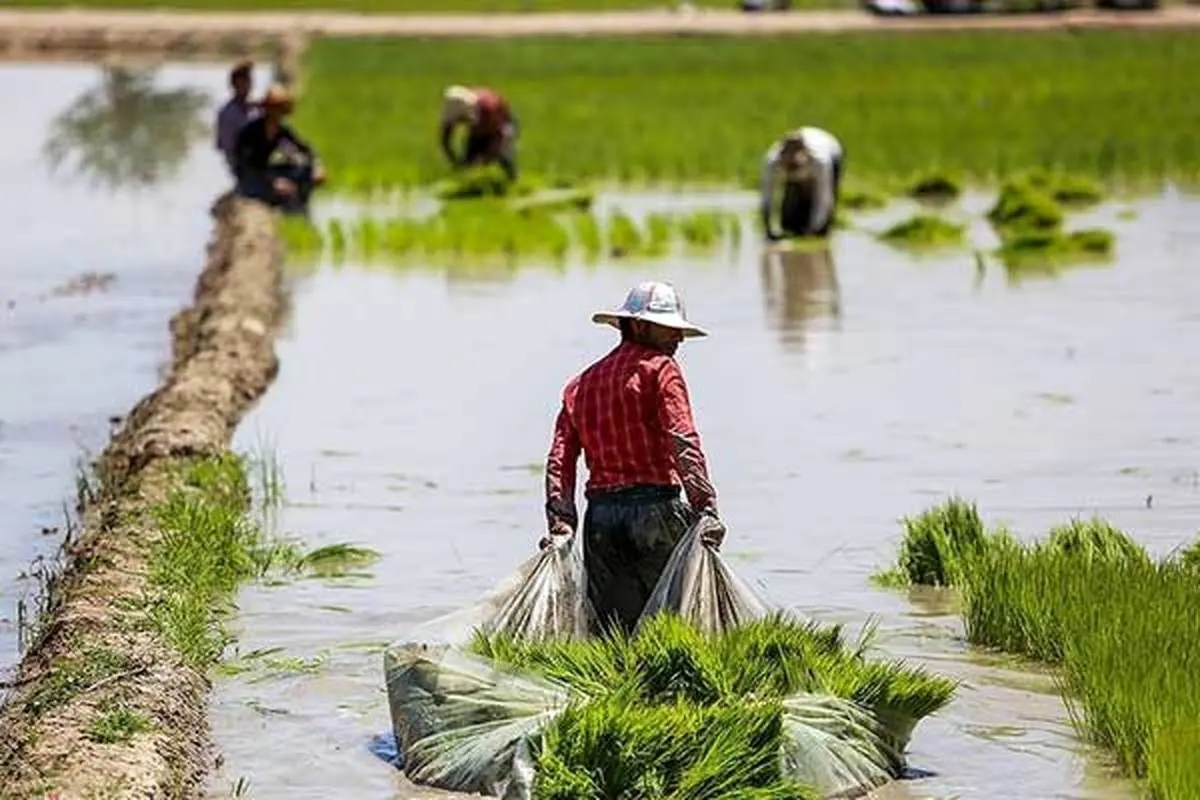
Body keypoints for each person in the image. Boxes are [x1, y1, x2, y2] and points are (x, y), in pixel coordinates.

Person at [541, 281, 727, 635]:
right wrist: (705, 507)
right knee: (673, 627)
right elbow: (682, 440)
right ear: (638, 326)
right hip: (656, 511)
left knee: (615, 633)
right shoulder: (661, 370)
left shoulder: (581, 385)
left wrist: (562, 523)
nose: (679, 338)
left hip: (601, 522)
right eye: (669, 328)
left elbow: (559, 461)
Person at [232, 84, 325, 214]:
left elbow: (305, 149)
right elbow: (245, 165)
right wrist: (272, 182)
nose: (278, 115)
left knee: (304, 170)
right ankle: (291, 210)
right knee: (281, 189)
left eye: (281, 110)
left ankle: (301, 209)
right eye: (275, 109)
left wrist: (317, 166)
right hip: (251, 178)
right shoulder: (251, 132)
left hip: (266, 173)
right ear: (267, 110)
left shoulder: (282, 131)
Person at [759, 127, 845, 241]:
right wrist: (768, 227)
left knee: (821, 223)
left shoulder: (821, 162)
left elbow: (824, 199)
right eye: (788, 166)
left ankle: (818, 228)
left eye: (795, 166)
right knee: (790, 218)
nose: (792, 171)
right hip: (807, 160)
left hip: (832, 150)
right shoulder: (771, 161)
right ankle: (796, 224)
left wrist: (815, 229)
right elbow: (767, 195)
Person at [439, 85, 519, 182]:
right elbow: (445, 138)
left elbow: (499, 136)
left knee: (503, 156)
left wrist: (486, 160)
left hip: (502, 124)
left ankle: (511, 181)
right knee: (470, 159)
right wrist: (454, 160)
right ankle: (469, 182)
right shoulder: (454, 106)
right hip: (479, 127)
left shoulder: (488, 107)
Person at [214, 61, 258, 176]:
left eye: (248, 81)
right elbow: (227, 147)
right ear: (234, 85)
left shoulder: (256, 110)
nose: (246, 85)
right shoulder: (227, 113)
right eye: (242, 82)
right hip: (240, 163)